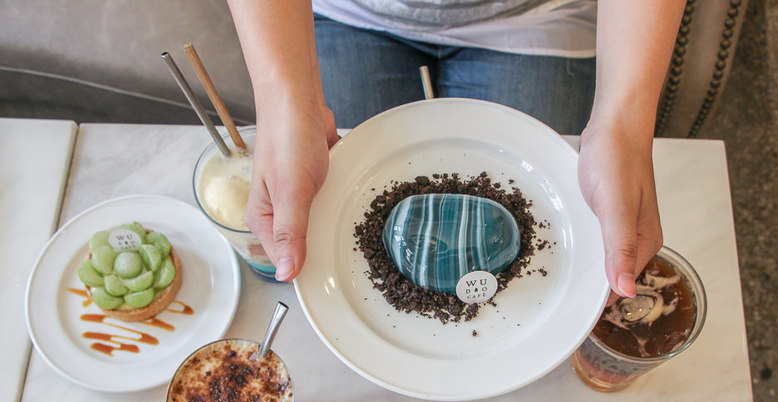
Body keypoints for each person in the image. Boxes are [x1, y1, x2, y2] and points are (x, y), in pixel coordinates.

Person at [226, 0, 685, 301]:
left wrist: (622, 122)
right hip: (350, 13)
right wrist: (286, 102)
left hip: (538, 15)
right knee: (334, 238)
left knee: (569, 264)